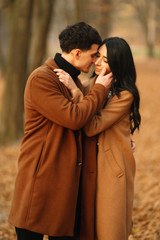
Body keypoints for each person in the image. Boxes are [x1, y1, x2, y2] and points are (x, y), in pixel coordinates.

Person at [8, 22, 113, 240]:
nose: (96, 61)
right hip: (40, 182)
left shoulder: (73, 80)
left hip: (64, 183)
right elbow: (74, 118)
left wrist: (120, 139)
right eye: (94, 55)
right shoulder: (42, 78)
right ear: (77, 52)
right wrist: (100, 89)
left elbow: (91, 119)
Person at [54, 37, 141, 240]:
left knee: (108, 230)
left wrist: (76, 92)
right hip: (88, 165)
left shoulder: (125, 94)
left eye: (106, 59)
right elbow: (75, 113)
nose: (98, 62)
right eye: (98, 56)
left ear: (119, 63)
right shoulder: (91, 83)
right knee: (87, 229)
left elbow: (92, 126)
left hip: (113, 169)